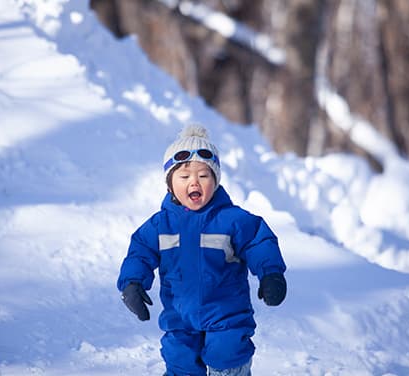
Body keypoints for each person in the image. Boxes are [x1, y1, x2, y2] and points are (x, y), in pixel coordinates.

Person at [117, 124, 287, 376]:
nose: (194, 182)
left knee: (228, 356)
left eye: (204, 176)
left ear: (216, 181)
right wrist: (132, 283)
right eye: (184, 177)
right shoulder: (160, 224)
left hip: (226, 314)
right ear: (170, 184)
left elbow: (258, 242)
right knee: (179, 360)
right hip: (179, 316)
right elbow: (140, 252)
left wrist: (271, 274)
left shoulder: (232, 220)